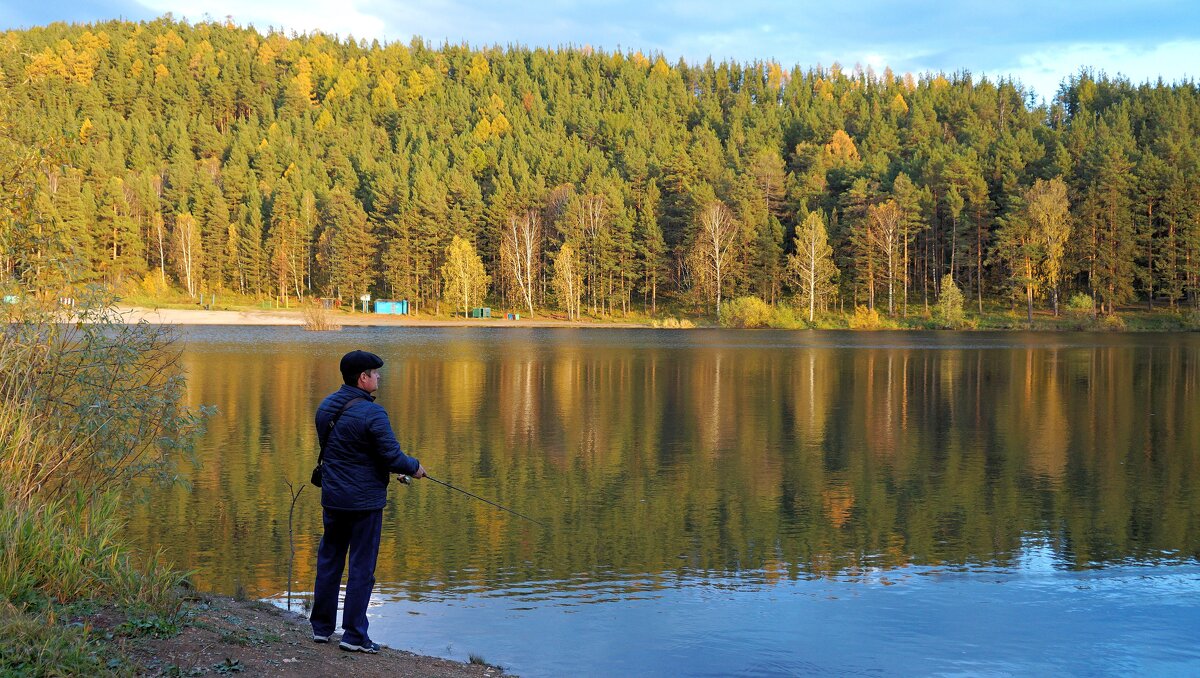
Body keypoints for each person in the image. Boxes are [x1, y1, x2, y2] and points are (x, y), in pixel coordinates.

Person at [310, 349, 426, 653]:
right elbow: (391, 455)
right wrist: (413, 467)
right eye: (375, 373)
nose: (379, 377)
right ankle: (354, 636)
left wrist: (390, 467)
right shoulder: (373, 413)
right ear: (363, 378)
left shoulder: (325, 407)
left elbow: (349, 451)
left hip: (333, 498)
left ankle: (321, 629)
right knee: (361, 567)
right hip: (364, 504)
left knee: (330, 560)